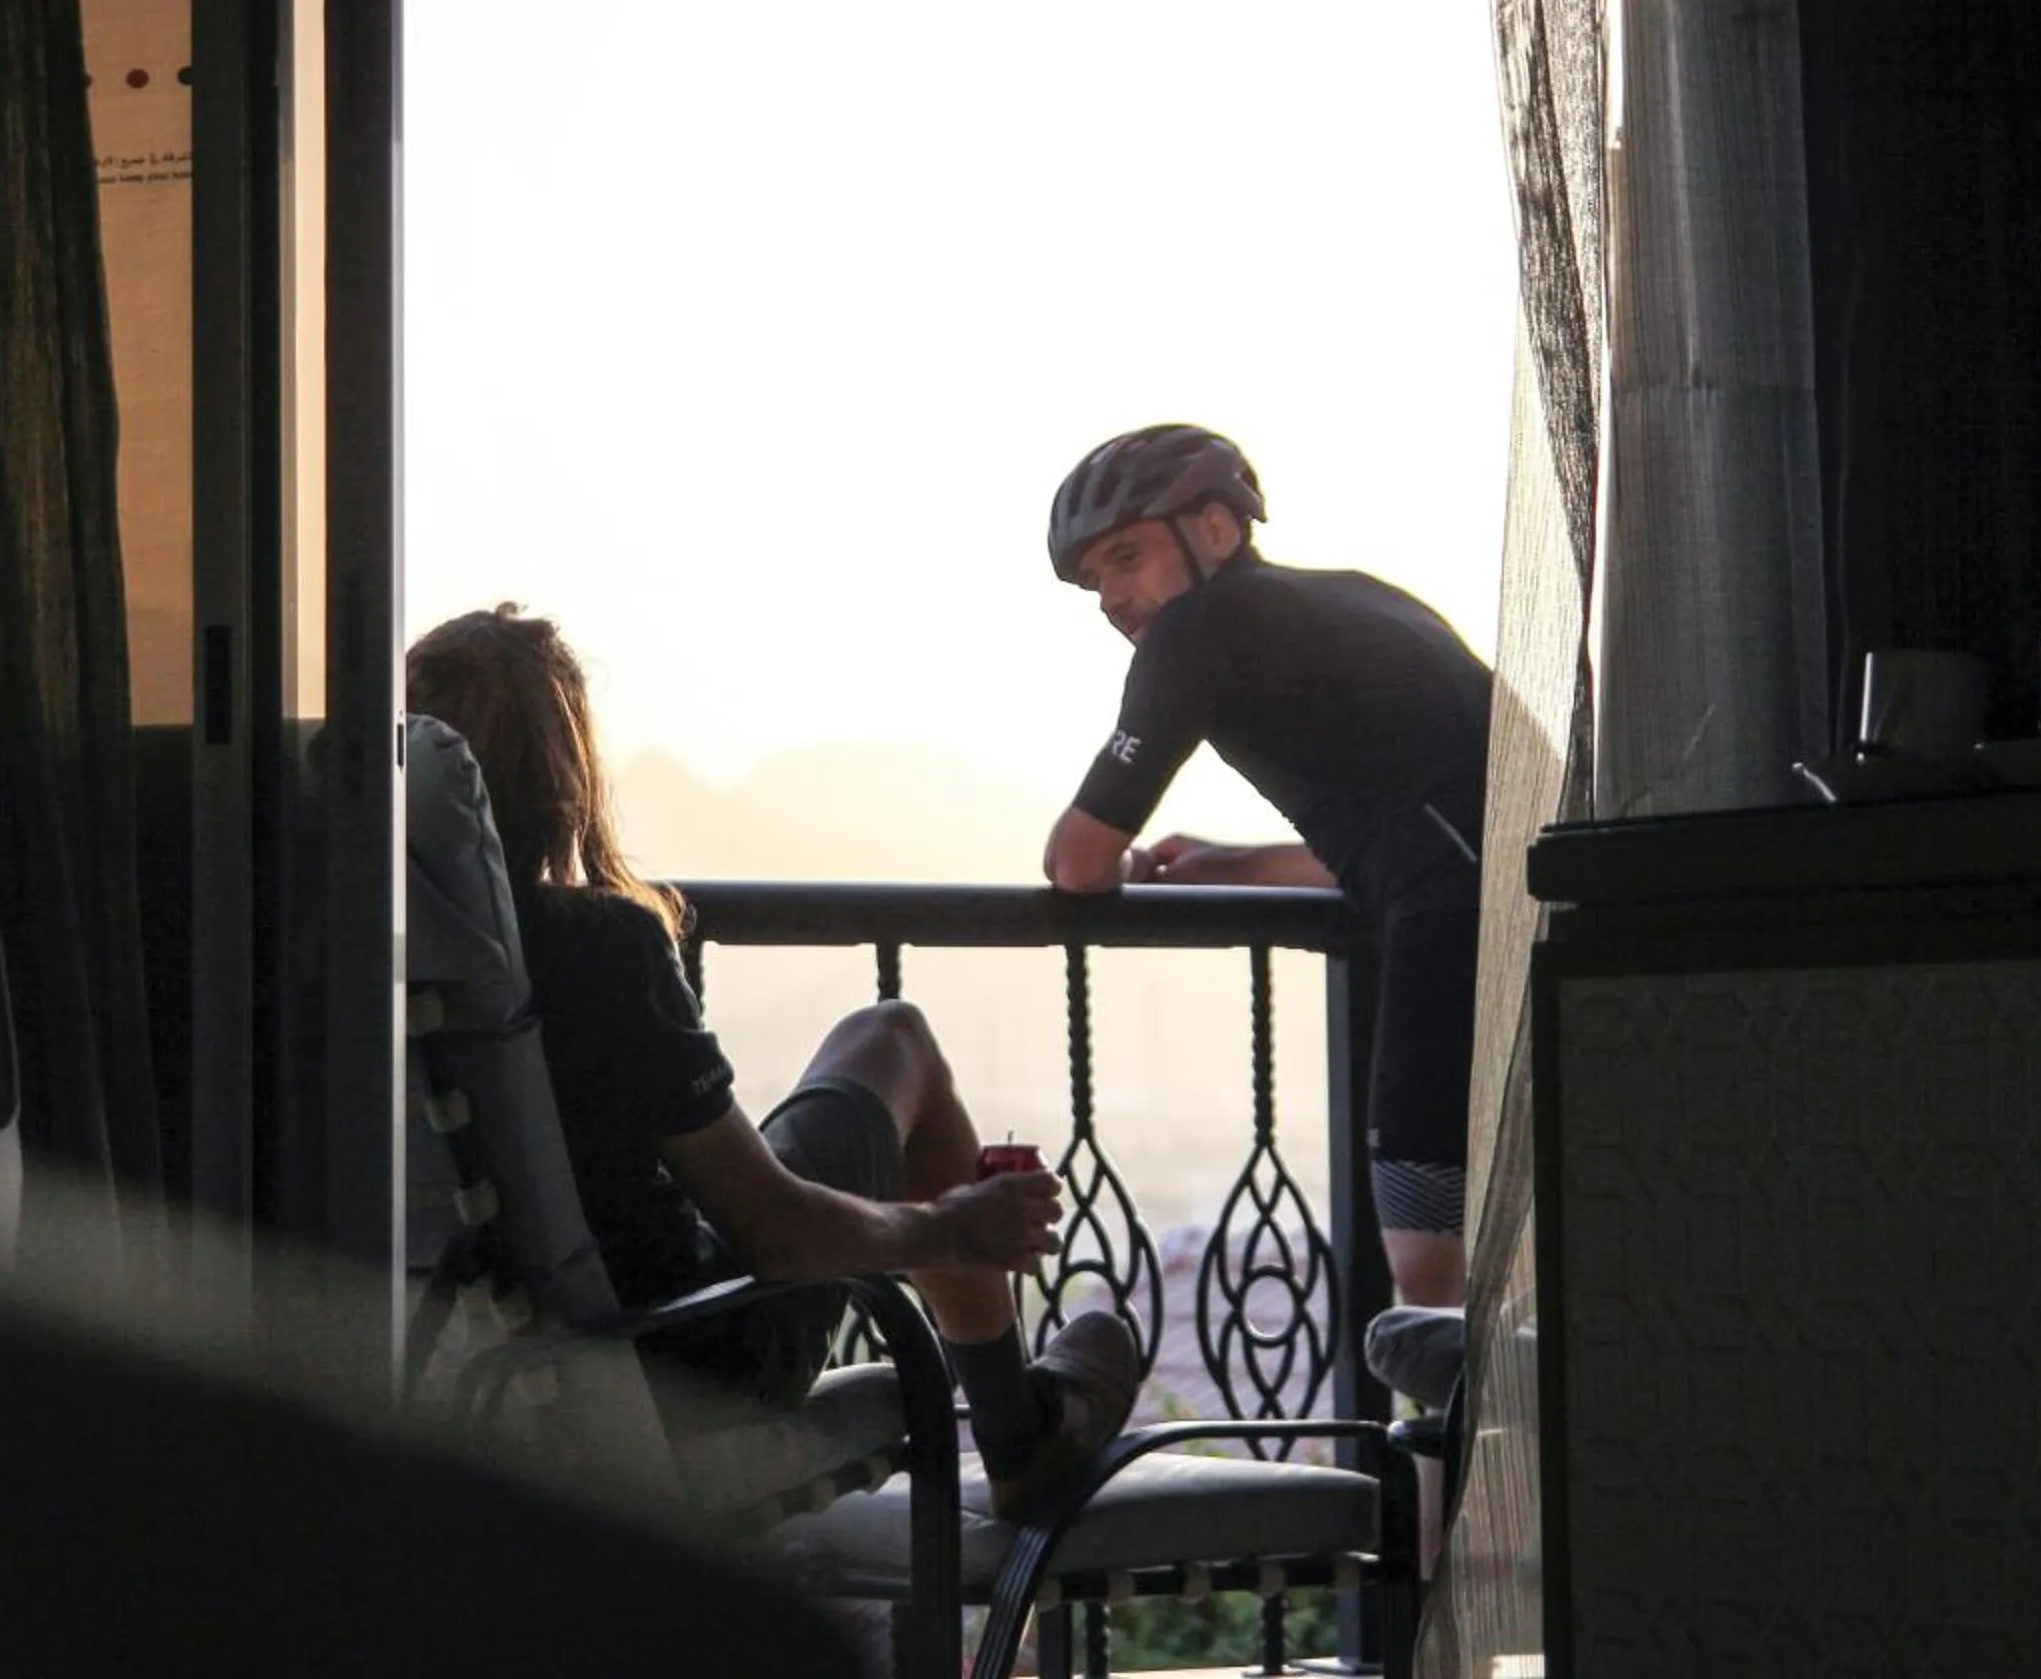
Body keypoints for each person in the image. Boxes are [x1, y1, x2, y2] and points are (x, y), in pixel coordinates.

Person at [406, 604, 1143, 1519]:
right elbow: (779, 1236)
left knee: (874, 1046)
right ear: (565, 777)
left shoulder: (377, 971)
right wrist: (951, 1229)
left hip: (488, 1375)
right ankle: (1020, 1434)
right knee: (894, 1038)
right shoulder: (596, 946)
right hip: (694, 1352)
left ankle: (1021, 1429)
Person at [1039, 424, 1489, 1310]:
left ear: (1215, 528)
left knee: (1432, 1281)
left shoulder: (1198, 631)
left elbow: (1077, 862)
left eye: (1126, 558)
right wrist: (1232, 863)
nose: (1112, 599)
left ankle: (1484, 1454)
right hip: (1523, 900)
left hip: (1450, 927)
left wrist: (1134, 860)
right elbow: (1409, 827)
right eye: (1094, 580)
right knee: (1508, 1269)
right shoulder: (1357, 599)